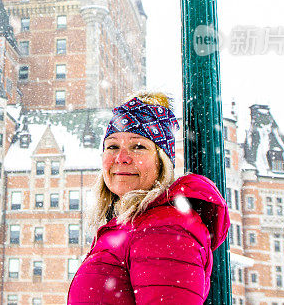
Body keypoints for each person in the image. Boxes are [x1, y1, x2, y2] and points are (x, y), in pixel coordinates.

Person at [67, 92, 230, 305]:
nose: (121, 158)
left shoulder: (165, 228)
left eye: (138, 147)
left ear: (161, 161)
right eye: (113, 146)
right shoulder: (133, 225)